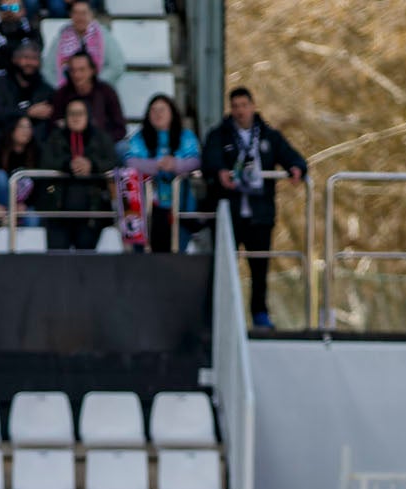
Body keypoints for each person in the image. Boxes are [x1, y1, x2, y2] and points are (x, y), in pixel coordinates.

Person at [201, 86, 303, 329]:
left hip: (260, 214)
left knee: (259, 268)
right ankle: (222, 315)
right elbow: (210, 159)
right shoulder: (220, 135)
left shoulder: (269, 136)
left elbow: (291, 156)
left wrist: (297, 168)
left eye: (244, 106)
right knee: (225, 266)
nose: (240, 111)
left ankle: (260, 314)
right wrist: (219, 171)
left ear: (253, 106)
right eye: (235, 106)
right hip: (230, 213)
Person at [123, 93, 199, 254]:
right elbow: (130, 161)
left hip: (179, 206)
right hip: (146, 208)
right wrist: (157, 165)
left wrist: (175, 164)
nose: (158, 114)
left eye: (162, 109)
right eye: (153, 110)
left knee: (176, 255)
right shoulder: (139, 138)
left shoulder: (186, 136)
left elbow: (195, 161)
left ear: (172, 112)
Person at [37, 95, 112, 249]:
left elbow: (114, 162)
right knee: (57, 260)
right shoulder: (55, 137)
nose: (75, 118)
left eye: (80, 114)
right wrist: (67, 164)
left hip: (92, 212)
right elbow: (45, 162)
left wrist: (92, 165)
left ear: (88, 116)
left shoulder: (101, 138)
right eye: (71, 113)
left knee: (87, 261)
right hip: (58, 212)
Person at [0, 37, 48, 155]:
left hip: (33, 147)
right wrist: (28, 112)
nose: (30, 63)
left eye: (34, 59)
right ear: (15, 59)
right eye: (25, 58)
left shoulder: (46, 89)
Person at [46, 49, 121, 140]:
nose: (77, 75)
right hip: (69, 145)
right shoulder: (62, 94)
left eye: (82, 70)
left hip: (101, 145)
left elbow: (120, 129)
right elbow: (52, 127)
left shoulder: (106, 92)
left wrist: (102, 142)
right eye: (73, 70)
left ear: (92, 70)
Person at [0, 113, 38, 227]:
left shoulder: (37, 153)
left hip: (26, 205)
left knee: (33, 218)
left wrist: (26, 205)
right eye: (21, 127)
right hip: (3, 205)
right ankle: (10, 211)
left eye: (29, 127)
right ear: (12, 129)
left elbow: (43, 186)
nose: (26, 131)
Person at [48, 0, 121, 83]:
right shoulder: (61, 37)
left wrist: (93, 84)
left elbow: (116, 66)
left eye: (84, 13)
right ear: (70, 15)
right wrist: (62, 88)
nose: (80, 17)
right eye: (76, 13)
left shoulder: (104, 36)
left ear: (91, 15)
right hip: (66, 91)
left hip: (98, 89)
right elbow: (48, 69)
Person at [0, 0, 39, 81]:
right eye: (4, 8)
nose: (8, 11)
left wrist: (1, 51)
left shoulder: (32, 34)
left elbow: (34, 59)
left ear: (23, 11)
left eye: (14, 8)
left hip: (26, 83)